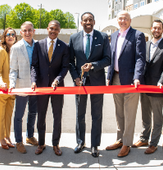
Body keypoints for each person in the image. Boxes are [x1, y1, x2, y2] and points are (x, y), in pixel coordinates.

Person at [69, 12, 111, 157]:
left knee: (96, 115)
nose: (88, 22)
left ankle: (94, 144)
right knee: (80, 114)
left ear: (94, 22)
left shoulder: (103, 37)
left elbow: (107, 59)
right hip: (80, 83)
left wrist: (92, 65)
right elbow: (70, 61)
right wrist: (75, 77)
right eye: (85, 20)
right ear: (81, 22)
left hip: (97, 82)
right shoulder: (74, 38)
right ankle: (80, 142)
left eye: (90, 20)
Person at [106, 11, 146, 157]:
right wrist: (109, 76)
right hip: (116, 78)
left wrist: (137, 77)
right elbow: (112, 57)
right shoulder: (115, 35)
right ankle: (120, 139)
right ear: (117, 20)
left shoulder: (137, 35)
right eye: (120, 18)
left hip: (130, 80)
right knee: (119, 112)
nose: (123, 21)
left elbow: (140, 59)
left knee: (129, 112)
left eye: (125, 18)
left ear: (130, 20)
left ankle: (127, 143)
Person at [132, 20, 163, 155]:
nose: (156, 30)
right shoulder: (146, 44)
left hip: (157, 87)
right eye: (154, 28)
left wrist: (162, 81)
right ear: (151, 29)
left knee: (157, 117)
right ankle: (144, 138)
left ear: (162, 30)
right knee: (145, 115)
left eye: (159, 28)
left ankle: (154, 143)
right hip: (144, 85)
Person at [31, 20, 69, 156]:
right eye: (51, 28)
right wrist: (34, 81)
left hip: (57, 88)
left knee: (57, 116)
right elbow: (34, 65)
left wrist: (58, 80)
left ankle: (55, 144)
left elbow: (65, 67)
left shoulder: (64, 47)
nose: (53, 31)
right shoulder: (38, 45)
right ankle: (41, 143)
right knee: (41, 116)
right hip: (41, 86)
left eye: (56, 29)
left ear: (59, 31)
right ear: (47, 29)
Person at [9, 21, 38, 154]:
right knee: (19, 116)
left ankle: (30, 136)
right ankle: (18, 141)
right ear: (21, 33)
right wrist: (12, 84)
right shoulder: (16, 48)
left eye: (29, 30)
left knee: (33, 112)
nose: (27, 33)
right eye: (24, 31)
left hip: (35, 87)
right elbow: (13, 69)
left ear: (34, 31)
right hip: (21, 86)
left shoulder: (38, 45)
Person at [0, 28, 17, 150]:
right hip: (0, 87)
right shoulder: (1, 51)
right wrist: (1, 82)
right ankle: (1, 138)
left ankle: (7, 136)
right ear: (4, 37)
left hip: (12, 89)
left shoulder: (15, 51)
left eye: (12, 34)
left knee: (8, 114)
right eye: (8, 35)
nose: (10, 36)